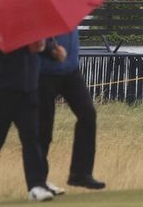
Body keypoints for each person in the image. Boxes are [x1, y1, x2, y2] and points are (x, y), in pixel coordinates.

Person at [0, 39, 60, 205]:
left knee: (32, 138)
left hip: (28, 87)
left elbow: (43, 45)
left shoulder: (33, 19)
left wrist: (52, 50)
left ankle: (36, 186)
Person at [38, 28, 105, 193]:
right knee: (43, 128)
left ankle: (80, 174)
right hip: (44, 72)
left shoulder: (67, 5)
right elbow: (33, 36)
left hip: (70, 69)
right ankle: (39, 181)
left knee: (88, 115)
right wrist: (50, 49)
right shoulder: (39, 5)